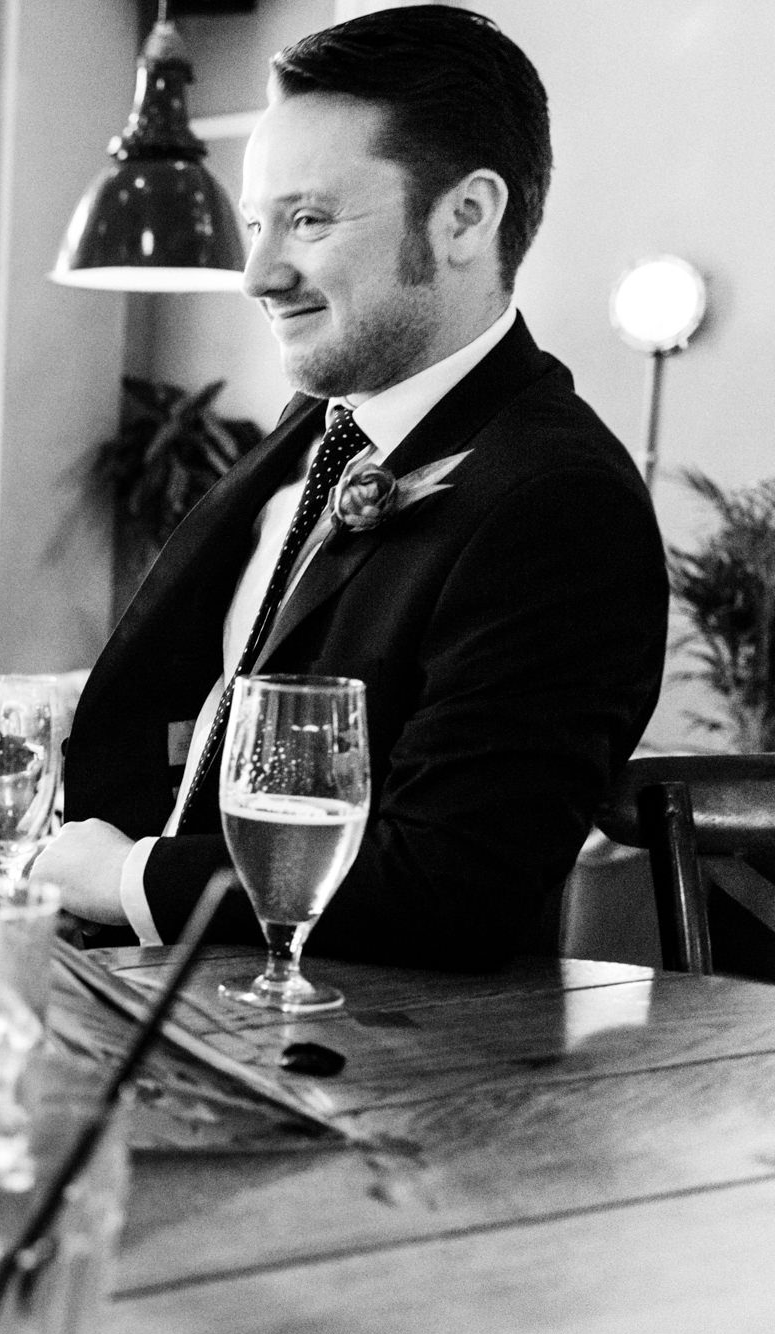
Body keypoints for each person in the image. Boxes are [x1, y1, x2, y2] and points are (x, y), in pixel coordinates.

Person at [33, 5, 669, 970]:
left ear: (465, 217)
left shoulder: (560, 503)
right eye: (257, 223)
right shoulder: (315, 428)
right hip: (138, 986)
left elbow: (451, 880)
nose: (256, 274)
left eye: (309, 221)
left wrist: (132, 880)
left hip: (358, 1039)